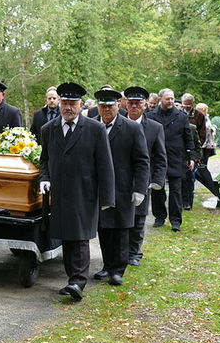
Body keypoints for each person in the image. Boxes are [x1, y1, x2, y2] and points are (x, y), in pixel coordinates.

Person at [38, 82, 115, 301]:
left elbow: (105, 165)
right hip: (60, 194)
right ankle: (73, 279)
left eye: (72, 104)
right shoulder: (48, 129)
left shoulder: (95, 129)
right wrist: (44, 179)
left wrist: (107, 198)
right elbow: (44, 160)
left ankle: (78, 282)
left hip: (85, 193)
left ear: (81, 105)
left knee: (80, 238)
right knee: (67, 237)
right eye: (64, 103)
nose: (68, 108)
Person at [90, 88, 149, 286]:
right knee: (103, 229)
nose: (106, 110)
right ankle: (107, 266)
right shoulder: (91, 127)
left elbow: (142, 160)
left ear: (118, 106)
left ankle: (118, 270)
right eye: (102, 106)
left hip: (122, 188)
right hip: (97, 188)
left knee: (121, 230)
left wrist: (140, 188)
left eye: (110, 106)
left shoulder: (131, 128)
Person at [124, 86, 167, 267]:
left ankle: (134, 252)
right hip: (120, 178)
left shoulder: (155, 128)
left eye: (138, 103)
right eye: (131, 103)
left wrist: (158, 180)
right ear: (125, 104)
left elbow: (160, 157)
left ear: (145, 105)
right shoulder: (118, 123)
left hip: (142, 178)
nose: (134, 106)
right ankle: (120, 252)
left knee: (138, 218)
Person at [145, 88, 195, 232]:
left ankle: (175, 220)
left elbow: (188, 138)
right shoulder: (151, 115)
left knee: (176, 191)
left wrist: (191, 156)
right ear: (161, 99)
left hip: (175, 158)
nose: (171, 101)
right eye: (168, 99)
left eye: (172, 98)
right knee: (157, 189)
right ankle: (159, 217)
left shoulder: (181, 116)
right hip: (156, 158)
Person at [180, 93, 207, 210]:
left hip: (192, 150)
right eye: (184, 105)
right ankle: (180, 201)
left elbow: (202, 135)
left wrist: (195, 155)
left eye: (188, 106)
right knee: (180, 179)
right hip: (180, 151)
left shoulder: (199, 115)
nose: (186, 108)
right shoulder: (178, 114)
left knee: (190, 178)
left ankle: (188, 202)